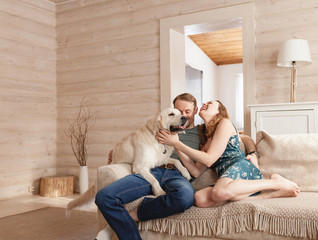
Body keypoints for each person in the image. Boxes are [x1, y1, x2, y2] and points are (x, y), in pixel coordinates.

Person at [156, 100, 300, 208]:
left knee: (219, 192)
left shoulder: (224, 123)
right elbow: (196, 172)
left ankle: (275, 182)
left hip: (242, 167)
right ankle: (272, 194)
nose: (205, 103)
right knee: (199, 199)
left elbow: (209, 160)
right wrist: (175, 144)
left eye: (211, 103)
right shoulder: (206, 139)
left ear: (219, 111)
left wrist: (176, 143)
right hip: (230, 180)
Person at [95, 93, 201, 240]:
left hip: (177, 175)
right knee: (104, 197)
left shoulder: (201, 132)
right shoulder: (159, 128)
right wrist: (120, 151)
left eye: (187, 112)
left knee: (184, 197)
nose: (182, 115)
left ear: (195, 111)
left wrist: (176, 143)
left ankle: (131, 216)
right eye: (177, 111)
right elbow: (140, 142)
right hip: (153, 170)